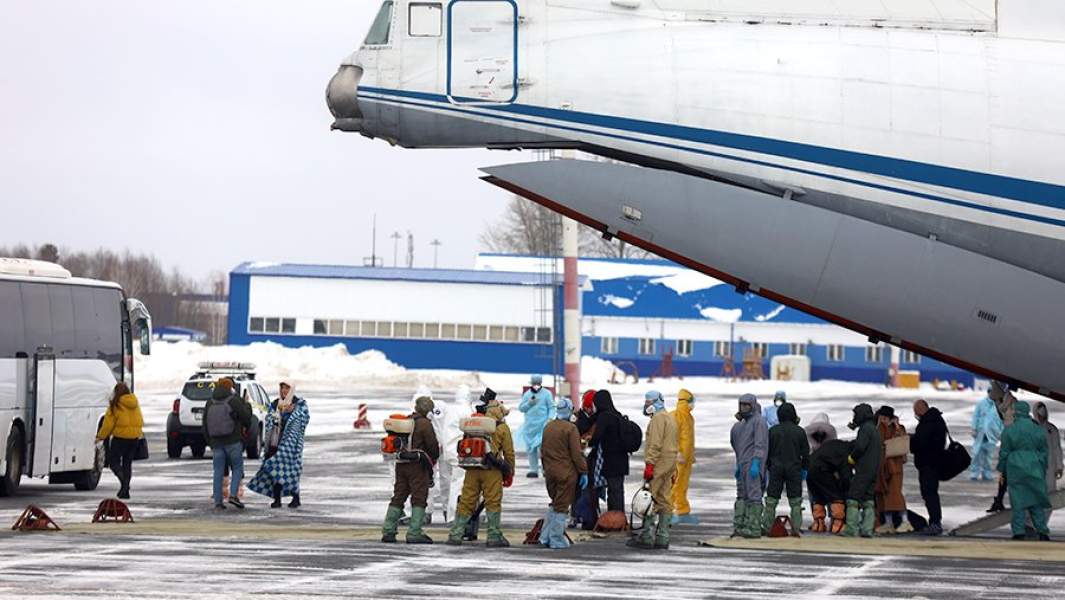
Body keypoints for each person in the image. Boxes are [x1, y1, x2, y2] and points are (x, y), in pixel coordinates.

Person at [448, 399, 516, 548]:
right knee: (493, 501)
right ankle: (493, 535)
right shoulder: (502, 427)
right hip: (492, 470)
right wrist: (510, 471)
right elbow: (509, 453)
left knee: (467, 501)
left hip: (472, 468)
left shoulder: (474, 425)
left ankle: (456, 533)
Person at [381, 396, 440, 544]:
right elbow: (432, 446)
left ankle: (388, 530)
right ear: (427, 410)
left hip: (401, 464)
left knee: (399, 496)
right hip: (417, 466)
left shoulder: (406, 421)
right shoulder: (425, 424)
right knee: (419, 498)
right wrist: (433, 459)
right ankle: (414, 532)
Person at [627, 391, 679, 550]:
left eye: (648, 402)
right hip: (669, 462)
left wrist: (650, 464)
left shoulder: (657, 419)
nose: (646, 405)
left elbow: (655, 443)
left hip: (659, 463)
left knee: (649, 498)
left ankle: (647, 536)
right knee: (664, 499)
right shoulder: (670, 418)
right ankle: (663, 536)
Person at [249, 382, 309, 508]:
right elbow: (269, 418)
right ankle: (277, 499)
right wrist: (276, 416)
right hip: (275, 443)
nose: (284, 391)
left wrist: (293, 413)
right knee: (276, 470)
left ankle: (296, 498)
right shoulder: (276, 404)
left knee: (292, 471)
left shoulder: (299, 404)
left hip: (291, 446)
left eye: (287, 388)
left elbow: (304, 419)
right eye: (282, 388)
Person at [998, 401, 1051, 541]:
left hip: (1015, 468)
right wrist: (1042, 467)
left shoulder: (1009, 430)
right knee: (1036, 500)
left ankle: (1018, 532)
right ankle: (1042, 531)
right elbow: (1044, 452)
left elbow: (1004, 453)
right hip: (1034, 467)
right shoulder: (1037, 430)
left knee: (1018, 502)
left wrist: (1001, 471)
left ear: (1016, 412)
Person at [539, 397, 587, 549]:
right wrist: (583, 471)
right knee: (562, 506)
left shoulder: (548, 427)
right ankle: (556, 539)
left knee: (555, 503)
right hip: (566, 473)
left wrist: (546, 469)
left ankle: (545, 536)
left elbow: (543, 451)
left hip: (550, 472)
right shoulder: (570, 429)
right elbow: (576, 454)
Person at [202, 378, 252, 510]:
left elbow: (204, 425)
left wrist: (211, 442)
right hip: (233, 441)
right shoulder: (233, 400)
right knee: (237, 468)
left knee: (218, 471)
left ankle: (218, 501)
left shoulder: (209, 402)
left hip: (216, 443)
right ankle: (233, 495)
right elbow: (246, 417)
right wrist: (247, 404)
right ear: (230, 388)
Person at [762, 402, 810, 537]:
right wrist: (805, 469)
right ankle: (796, 527)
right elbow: (806, 453)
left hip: (775, 468)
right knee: (795, 500)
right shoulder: (799, 431)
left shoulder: (772, 431)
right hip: (794, 469)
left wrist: (767, 466)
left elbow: (767, 452)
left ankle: (767, 526)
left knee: (771, 499)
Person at [95, 382, 144, 500]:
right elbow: (141, 419)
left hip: (120, 438)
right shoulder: (134, 403)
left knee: (113, 462)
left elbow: (108, 424)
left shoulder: (115, 405)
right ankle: (125, 491)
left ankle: (124, 484)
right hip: (134, 438)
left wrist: (100, 436)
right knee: (127, 463)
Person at [730, 393, 768, 538]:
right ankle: (741, 524)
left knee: (754, 495)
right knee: (742, 495)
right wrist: (739, 464)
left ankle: (754, 527)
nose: (744, 408)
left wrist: (757, 462)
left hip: (753, 463)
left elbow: (761, 444)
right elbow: (737, 445)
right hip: (743, 463)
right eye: (741, 405)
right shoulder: (742, 424)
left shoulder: (759, 422)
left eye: (747, 405)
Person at [589, 389, 630, 512]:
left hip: (611, 461)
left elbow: (597, 437)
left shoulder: (604, 417)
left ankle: (614, 519)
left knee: (613, 492)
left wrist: (588, 442)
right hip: (621, 460)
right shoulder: (617, 414)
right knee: (617, 491)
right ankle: (619, 518)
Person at [843, 403, 881, 537]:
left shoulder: (865, 429)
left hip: (863, 469)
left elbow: (860, 447)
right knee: (868, 499)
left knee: (853, 497)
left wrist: (852, 458)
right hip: (873, 470)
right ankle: (867, 529)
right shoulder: (875, 429)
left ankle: (851, 528)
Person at [911, 399, 947, 535]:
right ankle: (935, 521)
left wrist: (909, 441)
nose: (915, 415)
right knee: (931, 493)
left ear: (921, 410)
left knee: (929, 494)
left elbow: (921, 443)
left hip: (928, 464)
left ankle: (935, 523)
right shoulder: (936, 419)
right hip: (933, 463)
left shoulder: (928, 423)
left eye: (915, 412)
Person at [431, 386, 466, 524]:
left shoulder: (448, 409)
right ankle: (452, 514)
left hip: (445, 449)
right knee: (456, 483)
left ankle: (445, 512)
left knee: (435, 480)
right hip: (460, 452)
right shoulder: (465, 410)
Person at [807, 439, 854, 534]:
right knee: (836, 497)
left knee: (818, 498)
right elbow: (845, 476)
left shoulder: (835, 444)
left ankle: (818, 524)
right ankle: (838, 525)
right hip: (822, 471)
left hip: (810, 471)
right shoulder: (845, 453)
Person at [874, 406, 907, 534]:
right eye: (881, 418)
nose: (882, 420)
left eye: (885, 418)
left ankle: (905, 521)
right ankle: (888, 523)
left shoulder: (898, 428)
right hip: (883, 468)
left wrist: (897, 427)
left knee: (895, 495)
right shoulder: (879, 429)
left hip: (894, 468)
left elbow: (902, 442)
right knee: (883, 496)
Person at [518, 374, 555, 478]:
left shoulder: (547, 394)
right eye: (534, 384)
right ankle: (533, 469)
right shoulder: (527, 395)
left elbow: (552, 407)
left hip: (542, 426)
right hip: (530, 427)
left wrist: (550, 418)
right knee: (530, 449)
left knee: (543, 449)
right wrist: (529, 404)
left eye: (538, 384)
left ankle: (545, 469)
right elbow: (521, 408)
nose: (536, 385)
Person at [988, 381, 1017, 512]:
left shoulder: (1012, 406)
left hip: (1014, 446)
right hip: (1008, 445)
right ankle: (999, 499)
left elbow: (1011, 427)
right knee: (1004, 474)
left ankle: (1003, 500)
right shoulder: (1002, 404)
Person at [574, 389, 600, 530]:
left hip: (588, 459)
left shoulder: (595, 419)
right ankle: (580, 516)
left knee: (587, 490)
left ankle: (586, 517)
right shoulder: (580, 419)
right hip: (580, 458)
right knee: (579, 489)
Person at [671, 389, 698, 525]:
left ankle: (682, 511)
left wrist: (690, 456)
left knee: (682, 486)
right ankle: (669, 512)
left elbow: (689, 439)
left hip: (686, 459)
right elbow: (671, 436)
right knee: (674, 485)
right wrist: (676, 453)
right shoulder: (676, 415)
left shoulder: (688, 417)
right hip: (678, 459)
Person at [1032, 402, 1064, 502]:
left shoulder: (1052, 429)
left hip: (1050, 466)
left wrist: (1059, 467)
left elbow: (1057, 448)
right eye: (1040, 415)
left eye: (1043, 415)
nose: (1042, 418)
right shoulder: (1030, 428)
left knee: (1050, 493)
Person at [971, 394, 1004, 482]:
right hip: (981, 432)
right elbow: (975, 416)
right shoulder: (981, 404)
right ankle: (974, 473)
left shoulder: (999, 405)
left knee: (989, 455)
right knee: (976, 454)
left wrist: (1001, 431)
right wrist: (974, 428)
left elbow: (1001, 419)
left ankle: (987, 473)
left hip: (992, 434)